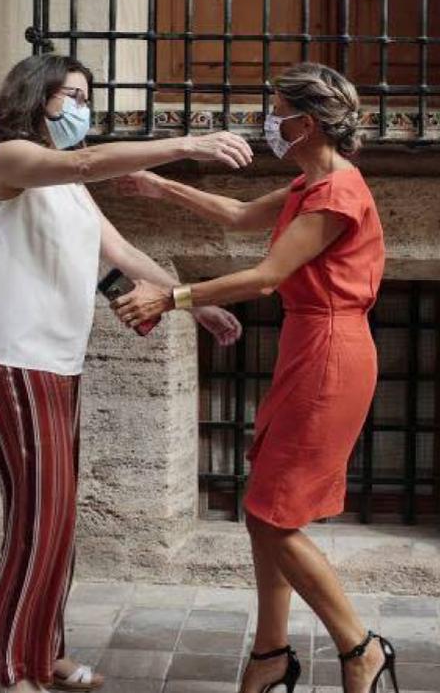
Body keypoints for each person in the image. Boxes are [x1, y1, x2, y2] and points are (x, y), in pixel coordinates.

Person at [0, 53, 250, 693]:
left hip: (57, 357)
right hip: (10, 354)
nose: (82, 109)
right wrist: (189, 144)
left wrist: (191, 302)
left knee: (56, 515)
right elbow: (87, 159)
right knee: (38, 515)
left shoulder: (70, 189)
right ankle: (7, 669)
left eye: (88, 97)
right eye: (71, 95)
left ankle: (45, 651)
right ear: (35, 99)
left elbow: (120, 254)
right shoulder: (8, 160)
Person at [112, 62, 398, 693]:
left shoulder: (336, 193)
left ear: (308, 122)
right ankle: (270, 655)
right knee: (263, 507)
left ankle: (360, 646)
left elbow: (267, 275)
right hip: (310, 344)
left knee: (273, 514)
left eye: (277, 112)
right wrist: (161, 187)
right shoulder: (311, 183)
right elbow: (240, 214)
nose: (269, 122)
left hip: (329, 348)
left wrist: (171, 297)